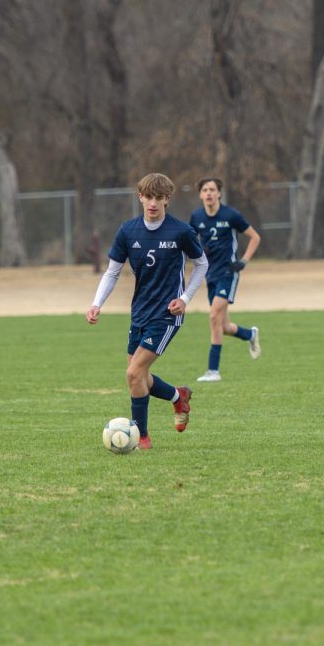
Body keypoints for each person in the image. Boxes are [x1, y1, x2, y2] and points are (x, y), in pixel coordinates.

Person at [86, 173, 208, 449]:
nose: (153, 203)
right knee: (138, 375)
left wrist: (185, 298)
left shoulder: (180, 231)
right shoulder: (128, 231)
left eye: (159, 198)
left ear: (167, 200)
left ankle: (141, 436)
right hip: (139, 311)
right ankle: (178, 396)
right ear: (140, 197)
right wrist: (97, 303)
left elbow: (202, 264)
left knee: (133, 374)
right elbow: (112, 272)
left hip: (167, 314)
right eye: (148, 197)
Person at [189, 177, 262, 382]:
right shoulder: (196, 217)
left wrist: (244, 261)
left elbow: (255, 237)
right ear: (200, 195)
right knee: (224, 326)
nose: (209, 193)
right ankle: (250, 335)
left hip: (228, 272)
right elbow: (190, 239)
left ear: (219, 193)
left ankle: (213, 371)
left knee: (213, 316)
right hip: (209, 274)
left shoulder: (231, 215)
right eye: (205, 190)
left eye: (212, 189)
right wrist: (198, 249)